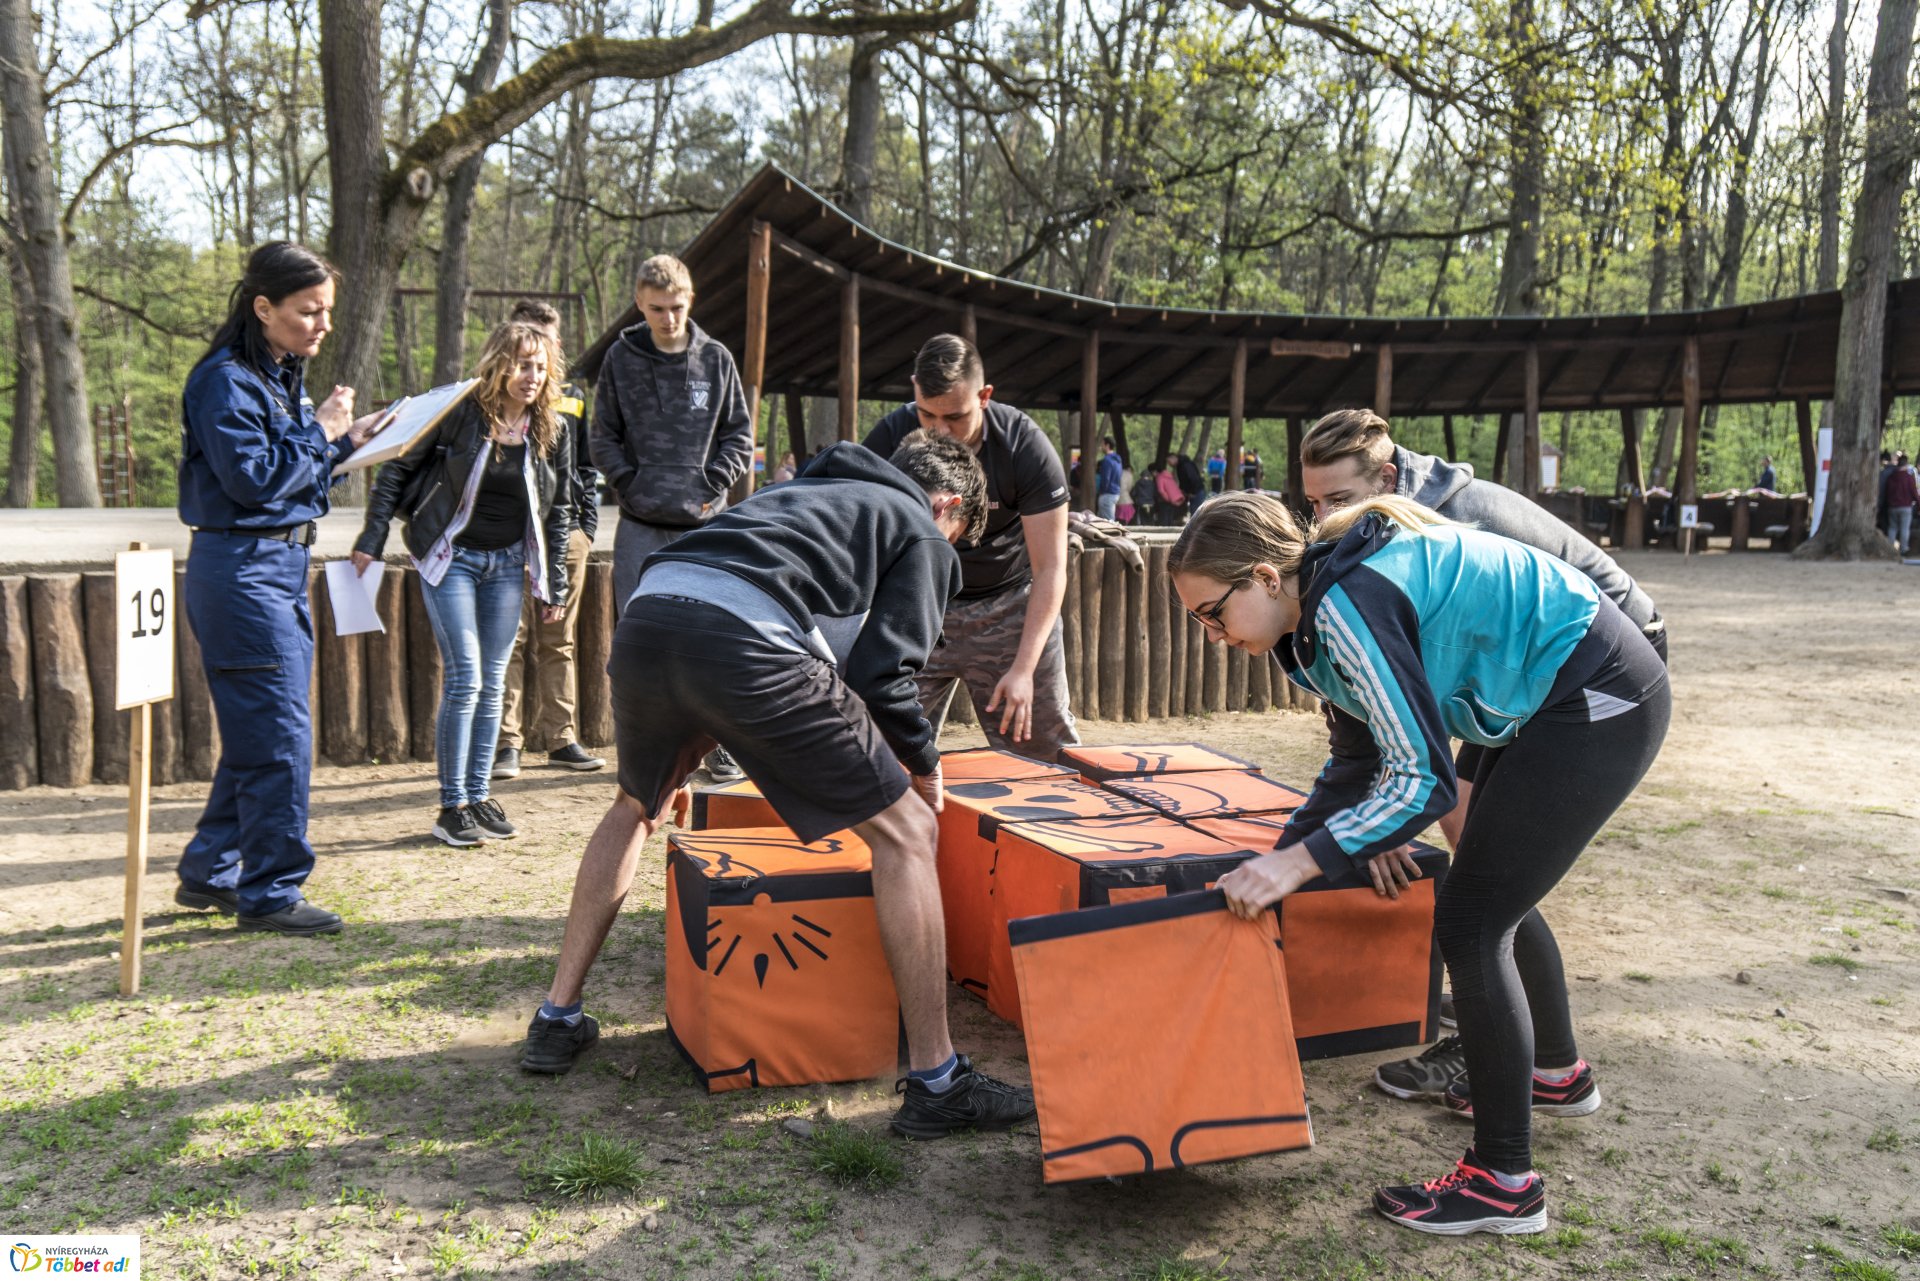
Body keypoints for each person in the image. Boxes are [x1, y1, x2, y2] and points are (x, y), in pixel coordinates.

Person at [1170, 491, 1669, 1235]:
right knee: (1487, 892)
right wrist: (1278, 865)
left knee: (1471, 919)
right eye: (1198, 621)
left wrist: (1300, 864)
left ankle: (1505, 1185)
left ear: (1267, 577)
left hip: (1598, 693)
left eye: (1213, 611)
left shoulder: (1347, 604)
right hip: (1545, 695)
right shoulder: (1306, 632)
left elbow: (1424, 782)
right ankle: (1556, 1076)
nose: (1211, 634)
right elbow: (1354, 764)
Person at [520, 432, 1037, 1138]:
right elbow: (882, 675)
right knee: (910, 831)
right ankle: (938, 1078)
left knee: (638, 805)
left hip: (653, 610)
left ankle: (556, 1016)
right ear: (946, 504)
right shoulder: (922, 529)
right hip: (741, 635)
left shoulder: (811, 490)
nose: (951, 551)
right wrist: (923, 764)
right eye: (959, 534)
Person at [1299, 408, 1667, 1101]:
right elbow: (1381, 695)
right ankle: (1546, 1056)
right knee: (1480, 861)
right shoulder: (1378, 526)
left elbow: (1418, 688)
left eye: (1338, 501)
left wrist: (1386, 810)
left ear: (1385, 477)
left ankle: (1493, 1048)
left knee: (1485, 875)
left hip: (1601, 660)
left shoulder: (1445, 524)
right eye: (1312, 503)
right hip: (1527, 677)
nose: (1321, 519)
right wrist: (1377, 807)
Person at [174, 243, 386, 936]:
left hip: (277, 567)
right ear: (264, 307)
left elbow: (296, 476)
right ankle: (269, 889)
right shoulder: (225, 381)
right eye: (307, 311)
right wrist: (324, 433)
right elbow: (255, 481)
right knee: (280, 733)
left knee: (259, 728)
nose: (321, 324)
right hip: (242, 571)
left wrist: (344, 441)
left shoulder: (278, 373)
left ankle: (214, 867)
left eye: (327, 309)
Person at [352, 322, 574, 847]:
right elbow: (396, 472)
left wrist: (554, 584)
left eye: (540, 367)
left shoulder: (552, 430)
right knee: (467, 676)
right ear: (498, 364)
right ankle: (451, 806)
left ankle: (477, 796)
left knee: (494, 680)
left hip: (507, 564)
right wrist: (372, 535)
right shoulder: (461, 414)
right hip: (451, 557)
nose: (532, 377)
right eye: (522, 365)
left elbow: (559, 510)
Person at [862, 335, 1080, 761]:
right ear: (913, 390)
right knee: (877, 745)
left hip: (1009, 607)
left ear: (984, 396)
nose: (940, 430)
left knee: (1040, 752)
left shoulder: (1024, 446)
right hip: (920, 603)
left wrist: (1023, 669)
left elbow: (1052, 567)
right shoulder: (890, 436)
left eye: (956, 417)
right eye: (927, 414)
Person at [590, 254, 755, 783]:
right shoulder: (621, 358)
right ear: (640, 303)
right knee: (641, 638)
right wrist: (629, 482)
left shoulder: (717, 359)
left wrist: (712, 483)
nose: (668, 318)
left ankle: (720, 744)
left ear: (691, 301)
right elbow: (602, 436)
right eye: (657, 308)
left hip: (706, 523)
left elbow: (739, 434)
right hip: (640, 523)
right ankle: (648, 750)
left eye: (677, 307)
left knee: (713, 635)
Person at [495, 301, 604, 780]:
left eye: (550, 341)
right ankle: (506, 744)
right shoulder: (491, 401)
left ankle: (562, 739)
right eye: (530, 341)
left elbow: (585, 464)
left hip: (566, 534)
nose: (542, 351)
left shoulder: (573, 396)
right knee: (510, 640)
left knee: (557, 638)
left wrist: (586, 526)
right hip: (507, 537)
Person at [1887, 451, 1917, 556]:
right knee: (1905, 528)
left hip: (1892, 506)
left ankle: (1890, 549)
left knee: (1892, 528)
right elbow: (1914, 492)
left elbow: (1888, 491)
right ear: (1906, 464)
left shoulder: (1891, 477)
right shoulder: (1908, 477)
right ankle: (1903, 549)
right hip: (1905, 507)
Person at [1095, 436, 1124, 520]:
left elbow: (1106, 479)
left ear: (1107, 445)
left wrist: (1101, 491)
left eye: (1102, 444)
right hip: (1115, 492)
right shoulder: (1118, 460)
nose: (1101, 446)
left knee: (1108, 521)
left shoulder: (1107, 460)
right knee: (1102, 520)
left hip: (1107, 493)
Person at [1153, 453, 1186, 525]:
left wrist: (1168, 499)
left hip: (1166, 500)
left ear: (1155, 471)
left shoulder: (1160, 477)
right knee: (1170, 517)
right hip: (1175, 498)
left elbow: (1161, 490)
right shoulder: (1169, 476)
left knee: (1164, 517)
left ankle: (1163, 533)